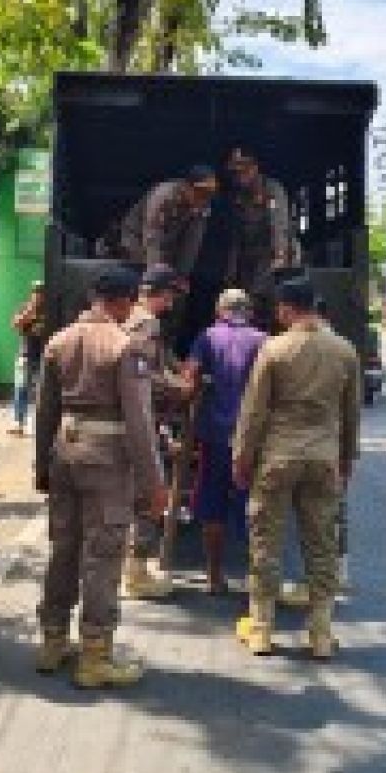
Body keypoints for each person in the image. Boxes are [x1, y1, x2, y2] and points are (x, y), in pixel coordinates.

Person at [33, 266, 165, 688]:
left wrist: (41, 467)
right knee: (103, 556)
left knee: (64, 548)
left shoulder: (58, 341)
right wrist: (154, 483)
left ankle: (52, 641)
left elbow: (45, 412)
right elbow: (139, 421)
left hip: (64, 452)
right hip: (107, 459)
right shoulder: (126, 346)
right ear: (125, 301)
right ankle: (95, 655)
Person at [232, 277, 360, 660]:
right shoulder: (345, 351)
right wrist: (346, 459)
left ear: (288, 309)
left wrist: (242, 457)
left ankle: (261, 630)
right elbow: (351, 414)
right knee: (321, 546)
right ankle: (320, 634)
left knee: (265, 543)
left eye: (279, 308)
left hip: (278, 457)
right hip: (323, 457)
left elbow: (254, 412)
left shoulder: (274, 349)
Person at [183, 288, 267, 595]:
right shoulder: (263, 341)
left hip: (215, 435)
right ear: (250, 312)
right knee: (255, 506)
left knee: (213, 503)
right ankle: (256, 580)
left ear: (219, 311)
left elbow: (190, 377)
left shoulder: (207, 337)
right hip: (253, 438)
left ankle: (214, 576)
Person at [121, 264, 188, 600]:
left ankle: (130, 567)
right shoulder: (146, 323)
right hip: (142, 418)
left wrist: (176, 370)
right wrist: (180, 387)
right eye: (169, 295)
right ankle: (136, 574)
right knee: (149, 494)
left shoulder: (128, 319)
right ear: (155, 293)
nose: (171, 303)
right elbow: (143, 374)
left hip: (129, 418)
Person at [226, 146, 299, 323]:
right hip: (248, 256)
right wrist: (230, 269)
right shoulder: (237, 195)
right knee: (245, 299)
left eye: (243, 170)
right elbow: (235, 235)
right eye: (236, 172)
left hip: (271, 253)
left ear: (254, 168)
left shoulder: (272, 190)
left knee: (265, 298)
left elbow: (279, 224)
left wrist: (280, 257)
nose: (239, 176)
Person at [120, 165, 219, 279]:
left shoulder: (203, 205)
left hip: (169, 243)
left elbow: (192, 243)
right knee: (144, 276)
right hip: (138, 238)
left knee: (172, 279)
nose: (204, 196)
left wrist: (182, 276)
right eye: (200, 191)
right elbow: (153, 238)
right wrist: (155, 277)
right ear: (186, 187)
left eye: (209, 193)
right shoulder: (164, 197)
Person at [8, 281, 46, 436]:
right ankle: (18, 422)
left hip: (44, 356)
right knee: (21, 388)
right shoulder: (25, 308)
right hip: (26, 355)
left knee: (42, 391)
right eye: (36, 292)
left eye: (41, 292)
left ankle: (39, 423)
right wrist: (30, 311)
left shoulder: (50, 310)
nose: (38, 295)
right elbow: (15, 324)